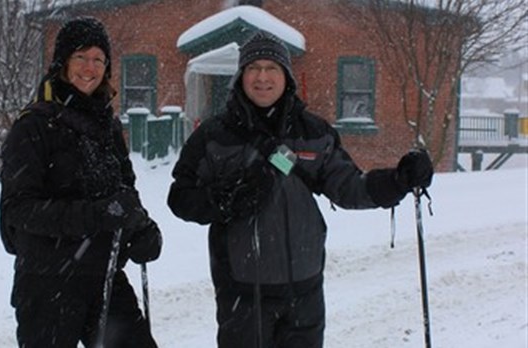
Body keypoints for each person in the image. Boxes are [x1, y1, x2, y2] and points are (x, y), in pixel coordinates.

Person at [167, 30, 433, 348]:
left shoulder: (314, 133)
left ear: (286, 76)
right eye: (254, 68)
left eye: (272, 68)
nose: (262, 77)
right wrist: (225, 200)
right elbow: (181, 196)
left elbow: (349, 186)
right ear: (240, 76)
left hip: (304, 295)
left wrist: (398, 181)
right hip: (242, 294)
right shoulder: (214, 136)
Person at [0, 16, 161, 348]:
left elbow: (125, 193)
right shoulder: (33, 126)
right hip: (47, 283)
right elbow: (18, 211)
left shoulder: (108, 127)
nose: (90, 67)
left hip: (104, 276)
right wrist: (95, 215)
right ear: (62, 63)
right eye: (80, 57)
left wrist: (142, 229)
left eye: (98, 59)